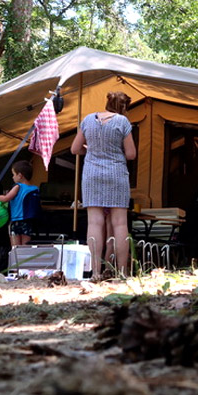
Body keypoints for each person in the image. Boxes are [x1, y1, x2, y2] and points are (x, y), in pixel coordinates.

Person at [71, 91, 137, 279]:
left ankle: (96, 272)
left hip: (91, 173)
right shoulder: (123, 122)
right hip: (116, 173)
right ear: (124, 108)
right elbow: (131, 154)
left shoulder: (87, 120)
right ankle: (122, 272)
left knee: (94, 223)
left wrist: (90, 149)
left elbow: (75, 149)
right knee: (119, 223)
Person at [0, 160, 40, 248]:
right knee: (26, 247)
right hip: (28, 221)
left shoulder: (18, 186)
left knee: (15, 248)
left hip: (16, 221)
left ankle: (16, 262)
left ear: (20, 175)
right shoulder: (35, 188)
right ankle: (25, 261)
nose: (13, 177)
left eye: (13, 174)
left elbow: (6, 198)